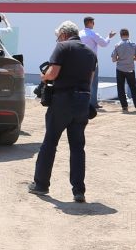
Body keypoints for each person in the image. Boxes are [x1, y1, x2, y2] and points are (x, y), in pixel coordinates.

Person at [28, 21, 97, 203]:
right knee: (77, 147)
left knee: (50, 142)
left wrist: (44, 76)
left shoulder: (63, 47)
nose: (58, 40)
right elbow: (90, 81)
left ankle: (41, 184)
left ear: (64, 35)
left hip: (63, 100)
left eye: (58, 36)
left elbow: (52, 73)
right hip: (82, 101)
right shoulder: (91, 53)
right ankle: (78, 191)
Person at [78, 16, 113, 109]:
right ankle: (93, 103)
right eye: (93, 22)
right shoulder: (93, 34)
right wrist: (109, 37)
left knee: (81, 81)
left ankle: (81, 101)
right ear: (90, 23)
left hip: (80, 60)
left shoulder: (79, 34)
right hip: (91, 60)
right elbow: (104, 44)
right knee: (93, 82)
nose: (94, 24)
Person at [110, 28, 136, 112]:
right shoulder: (134, 45)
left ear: (120, 36)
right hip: (130, 69)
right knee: (133, 87)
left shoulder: (117, 45)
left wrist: (119, 59)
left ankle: (124, 106)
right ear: (128, 35)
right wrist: (131, 59)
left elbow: (113, 60)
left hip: (120, 69)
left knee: (120, 87)